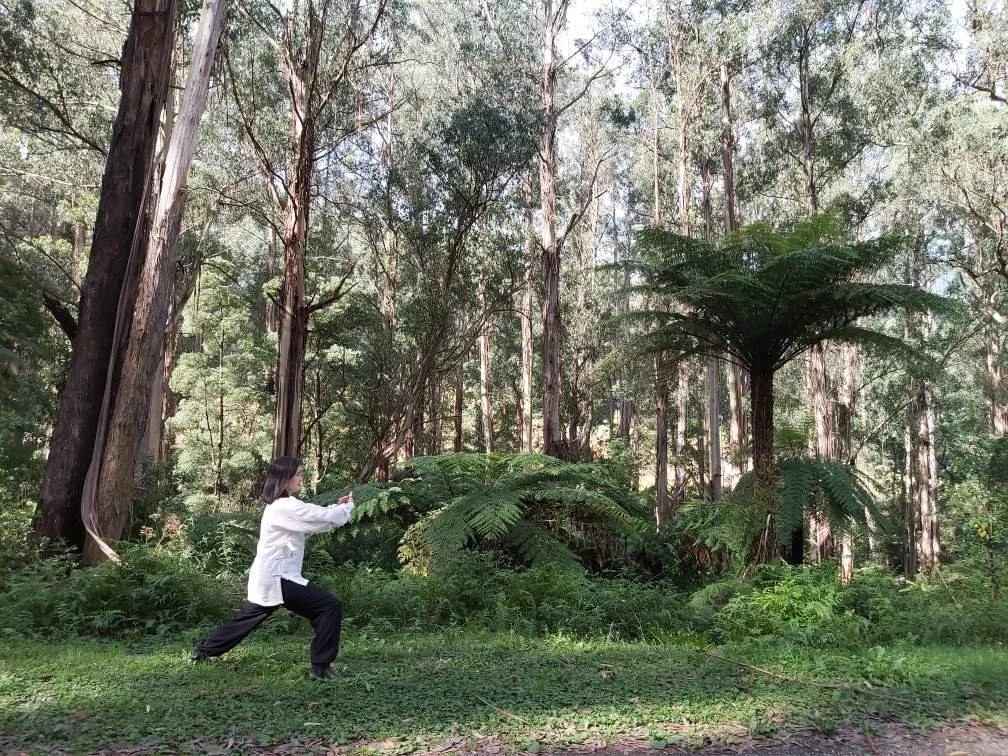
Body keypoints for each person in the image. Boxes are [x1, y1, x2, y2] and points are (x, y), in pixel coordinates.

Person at [189, 456, 355, 680]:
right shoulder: (284, 506)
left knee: (247, 620)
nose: (300, 478)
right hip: (278, 578)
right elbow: (322, 517)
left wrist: (338, 507)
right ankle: (321, 668)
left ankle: (202, 651)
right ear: (284, 478)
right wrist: (347, 507)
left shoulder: (283, 505)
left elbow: (317, 521)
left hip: (271, 577)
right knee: (328, 606)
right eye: (297, 474)